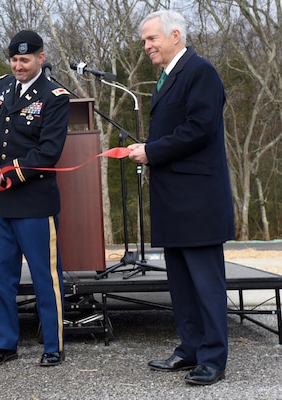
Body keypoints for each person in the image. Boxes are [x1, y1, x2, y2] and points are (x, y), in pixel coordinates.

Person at [129, 10, 235, 386]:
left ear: (175, 35)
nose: (146, 47)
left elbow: (199, 129)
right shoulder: (167, 77)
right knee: (182, 283)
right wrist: (148, 149)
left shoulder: (200, 71)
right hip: (173, 201)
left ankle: (212, 359)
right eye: (144, 40)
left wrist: (151, 151)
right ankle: (190, 348)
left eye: (151, 39)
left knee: (206, 284)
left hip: (198, 202)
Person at [0, 30, 70, 367]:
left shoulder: (55, 96)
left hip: (33, 201)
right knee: (1, 277)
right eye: (14, 60)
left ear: (41, 58)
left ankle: (52, 346)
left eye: (24, 60)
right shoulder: (1, 86)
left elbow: (48, 152)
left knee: (45, 277)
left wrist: (9, 173)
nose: (18, 65)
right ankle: (5, 343)